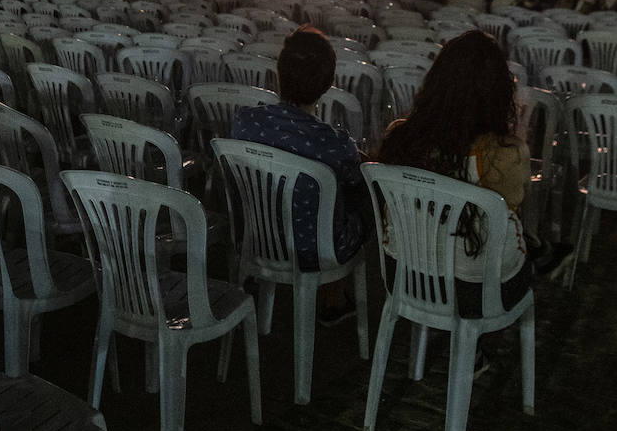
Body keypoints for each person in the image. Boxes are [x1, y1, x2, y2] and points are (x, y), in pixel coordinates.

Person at [377, 31, 571, 322]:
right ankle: (539, 254)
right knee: (503, 232)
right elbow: (513, 206)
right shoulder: (505, 153)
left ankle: (539, 251)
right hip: (477, 292)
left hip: (404, 274)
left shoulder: (399, 138)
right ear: (497, 91)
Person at [233, 27, 368, 324]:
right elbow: (357, 188)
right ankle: (333, 297)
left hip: (262, 237)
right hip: (318, 250)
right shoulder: (335, 143)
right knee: (358, 199)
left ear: (279, 73)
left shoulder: (245, 123)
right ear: (327, 83)